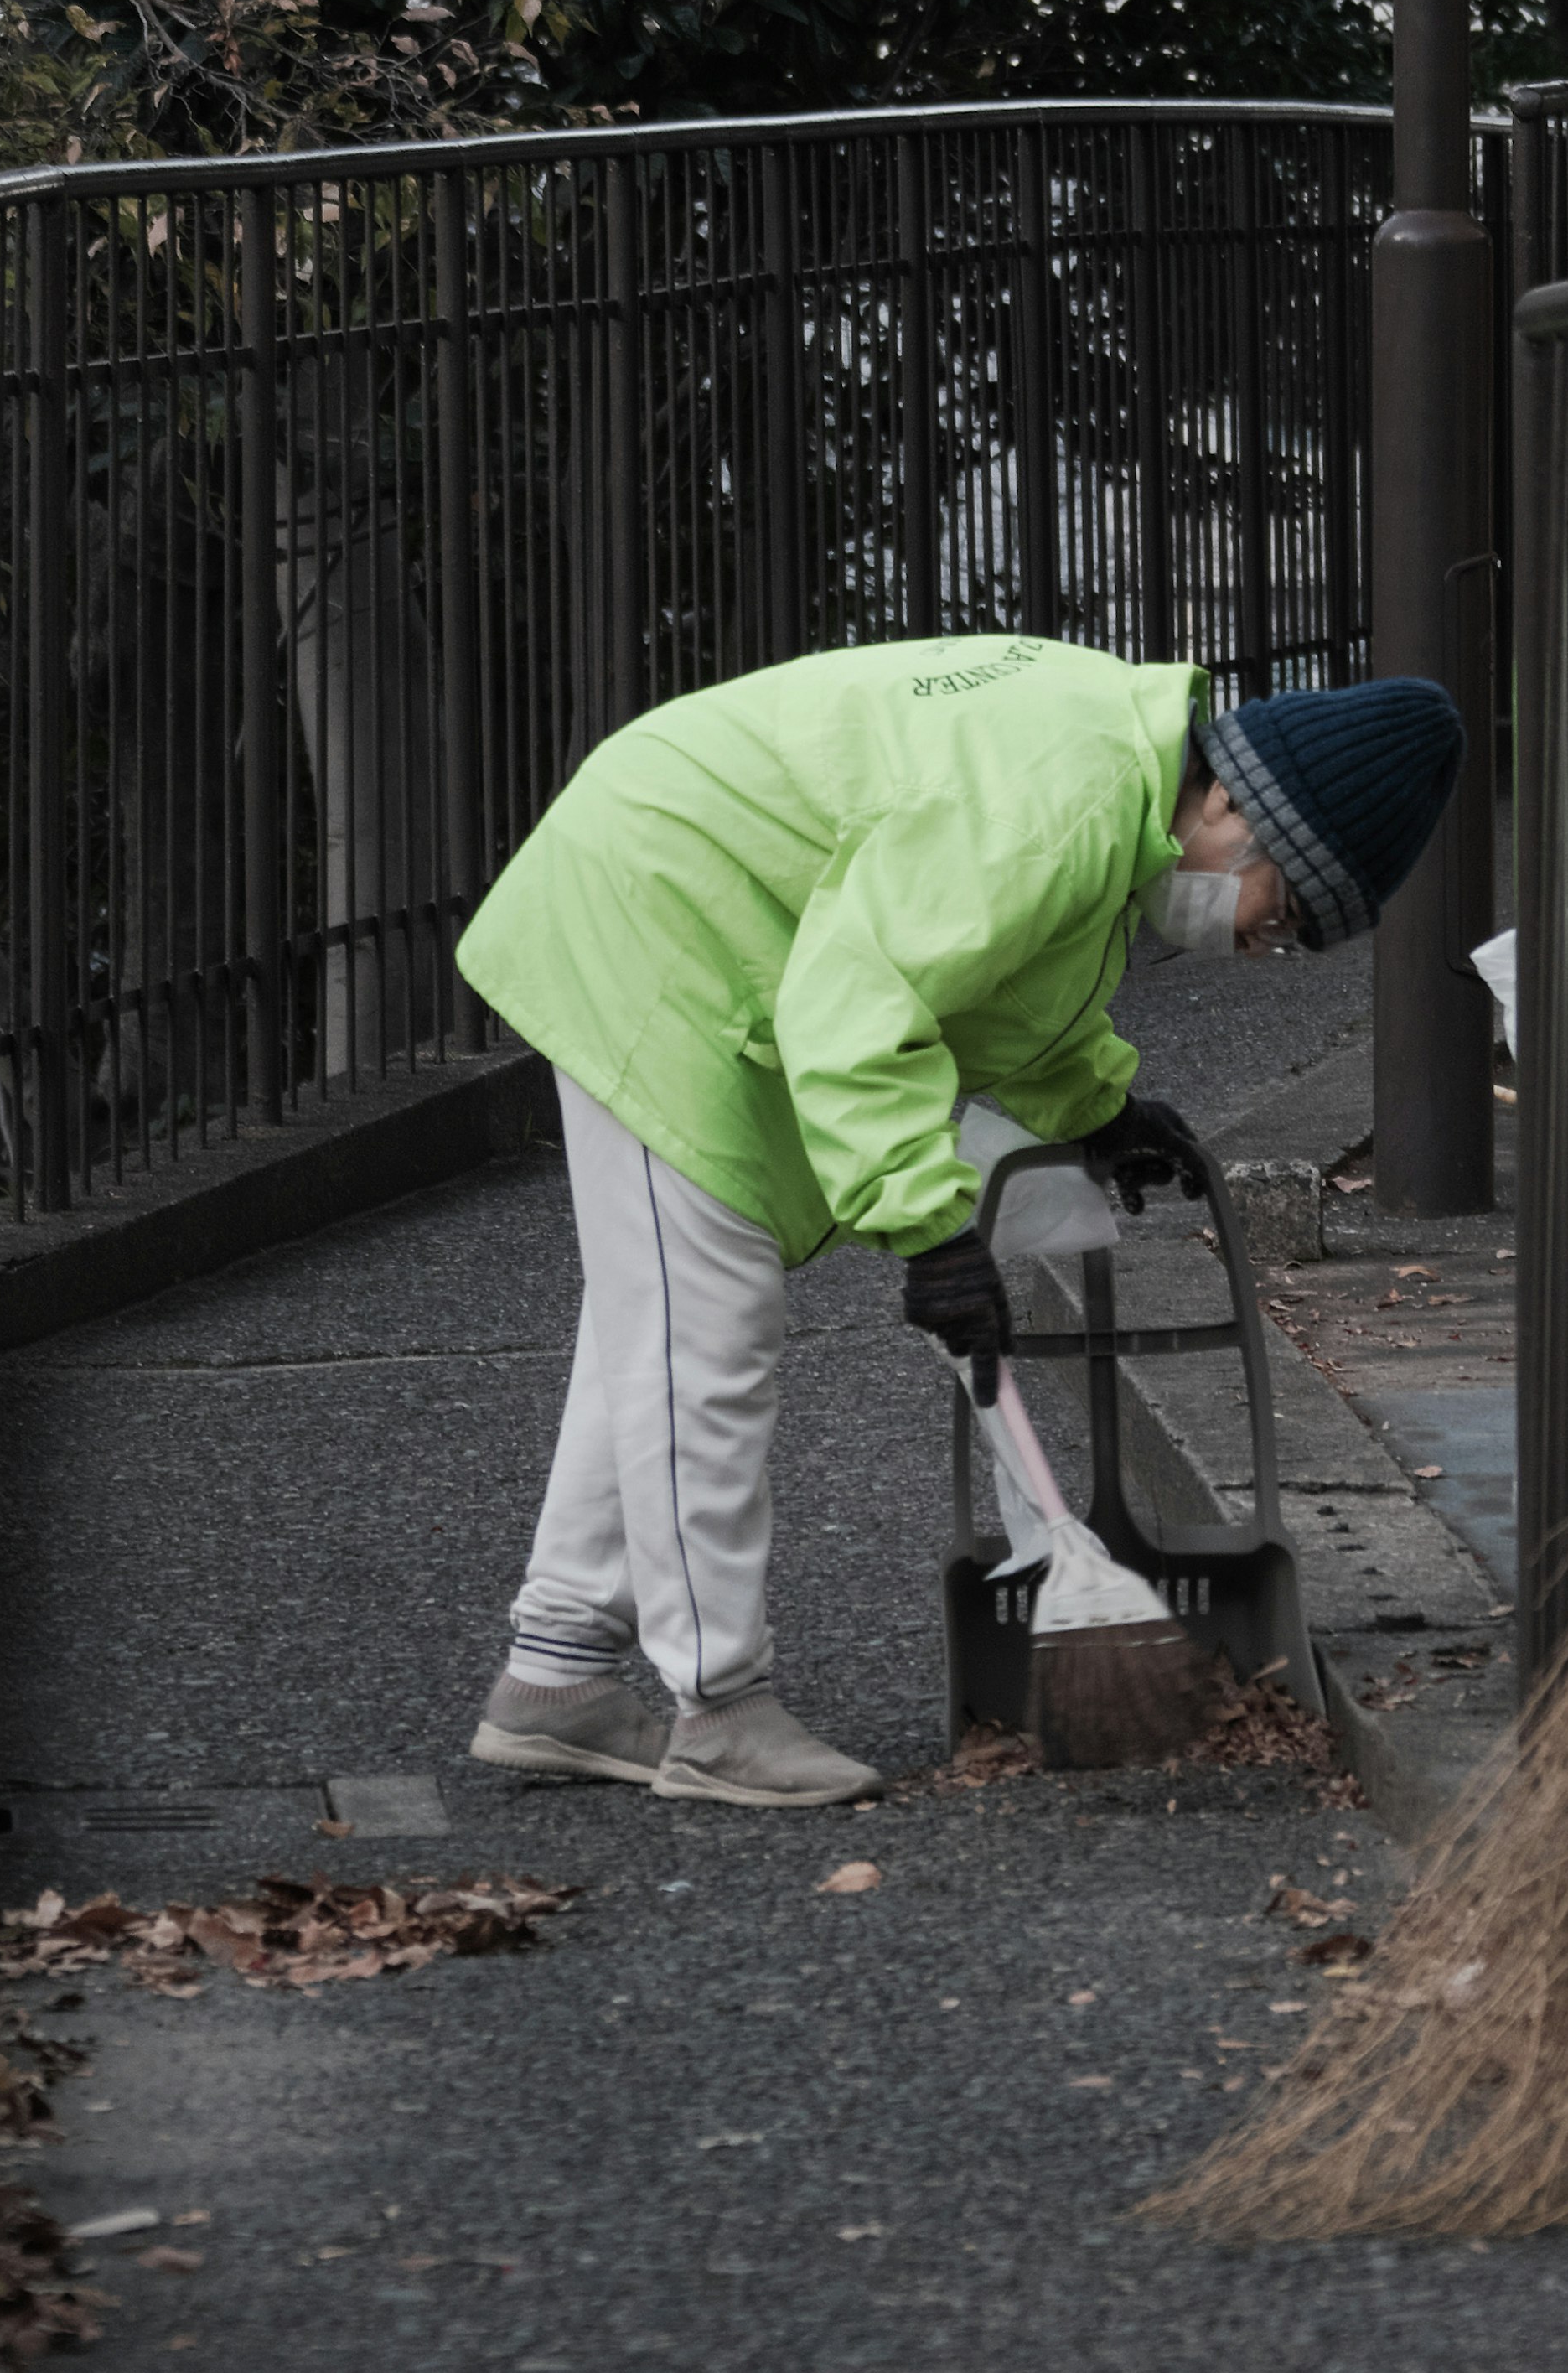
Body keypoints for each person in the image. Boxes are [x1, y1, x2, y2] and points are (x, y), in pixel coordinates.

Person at [454, 635, 1464, 1807]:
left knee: (660, 1323)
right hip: (660, 922)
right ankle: (718, 1708)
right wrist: (928, 1231)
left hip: (689, 901)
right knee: (705, 1335)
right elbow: (861, 1002)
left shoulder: (1112, 794)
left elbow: (1005, 983)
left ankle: (562, 1673)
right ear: (1236, 801)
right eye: (1277, 911)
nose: (1255, 942)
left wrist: (1099, 1109)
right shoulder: (1055, 811)